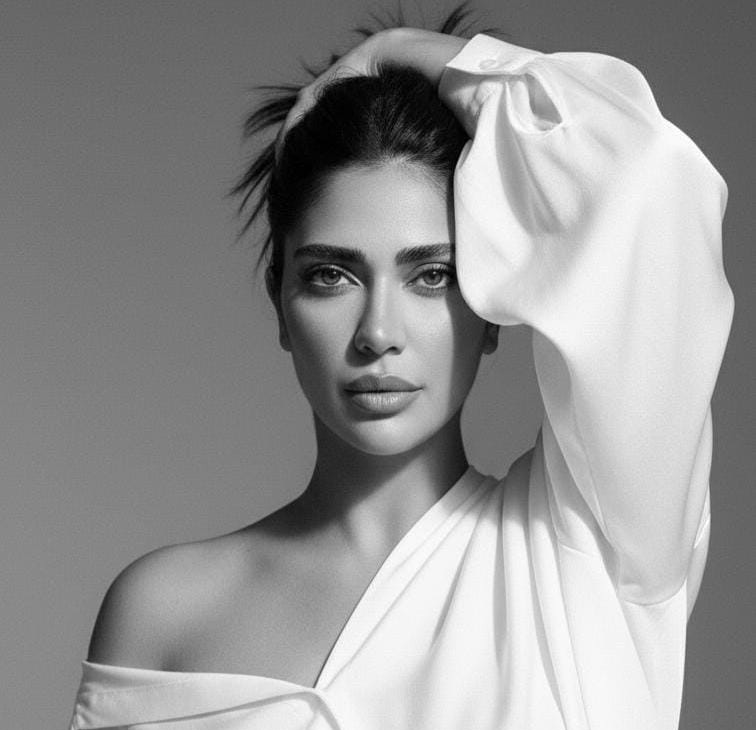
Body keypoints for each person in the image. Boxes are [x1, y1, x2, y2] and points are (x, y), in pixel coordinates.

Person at [68, 7, 734, 730]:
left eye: (431, 276)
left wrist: (400, 50)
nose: (378, 334)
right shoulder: (164, 612)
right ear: (281, 304)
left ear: (490, 308)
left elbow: (649, 177)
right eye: (331, 276)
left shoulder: (592, 554)